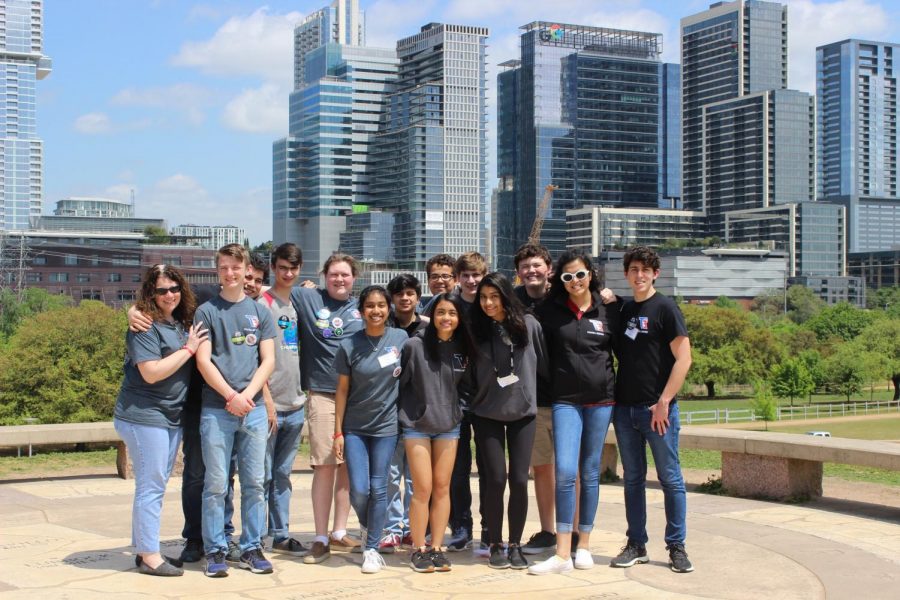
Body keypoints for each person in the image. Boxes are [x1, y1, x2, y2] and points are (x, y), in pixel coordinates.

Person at [528, 250, 619, 575]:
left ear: (590, 274)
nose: (575, 281)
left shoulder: (608, 308)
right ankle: (562, 553)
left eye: (580, 274)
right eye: (568, 277)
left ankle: (585, 546)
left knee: (590, 472)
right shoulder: (549, 312)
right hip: (564, 400)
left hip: (601, 400)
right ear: (560, 280)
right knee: (566, 471)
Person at [115, 265, 206, 577]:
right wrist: (189, 349)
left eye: (174, 288)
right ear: (150, 294)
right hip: (143, 416)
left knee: (153, 485)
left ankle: (143, 548)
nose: (170, 295)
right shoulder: (144, 325)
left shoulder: (178, 321)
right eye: (162, 290)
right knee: (151, 487)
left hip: (168, 417)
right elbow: (151, 372)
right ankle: (150, 556)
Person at [609, 246, 694, 574]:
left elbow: (684, 358)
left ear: (655, 273)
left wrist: (664, 402)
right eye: (634, 269)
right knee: (632, 479)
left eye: (645, 269)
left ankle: (676, 546)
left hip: (657, 412)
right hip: (625, 410)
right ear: (627, 274)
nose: (639, 275)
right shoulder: (626, 309)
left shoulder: (666, 308)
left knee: (670, 479)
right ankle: (636, 543)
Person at [194, 243, 277, 577]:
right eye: (224, 267)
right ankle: (215, 549)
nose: (230, 273)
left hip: (253, 408)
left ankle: (252, 547)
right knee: (216, 484)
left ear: (247, 271)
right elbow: (203, 360)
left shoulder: (260, 312)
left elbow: (268, 359)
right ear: (219, 271)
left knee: (255, 482)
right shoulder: (207, 311)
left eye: (235, 267)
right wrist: (231, 395)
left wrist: (248, 396)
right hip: (217, 408)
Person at [469, 273, 547, 570]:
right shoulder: (476, 328)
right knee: (496, 479)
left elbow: (543, 364)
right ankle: (495, 543)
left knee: (518, 479)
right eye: (483, 297)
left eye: (494, 296)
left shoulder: (530, 325)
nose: (488, 303)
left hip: (523, 413)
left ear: (505, 296)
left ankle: (515, 544)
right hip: (486, 412)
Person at [290, 253, 364, 564]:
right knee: (324, 465)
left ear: (354, 278)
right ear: (323, 276)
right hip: (322, 394)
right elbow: (268, 291)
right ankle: (320, 537)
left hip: (360, 397)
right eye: (334, 274)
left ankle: (338, 531)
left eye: (345, 275)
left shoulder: (364, 306)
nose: (339, 280)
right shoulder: (307, 298)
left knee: (347, 465)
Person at [332, 285, 408, 573]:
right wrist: (338, 432)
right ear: (361, 310)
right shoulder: (349, 345)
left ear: (388, 308)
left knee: (379, 487)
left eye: (381, 305)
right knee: (360, 491)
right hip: (355, 428)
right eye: (370, 306)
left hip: (387, 427)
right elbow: (341, 391)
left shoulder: (400, 338)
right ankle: (369, 526)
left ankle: (372, 547)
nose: (375, 311)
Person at [400, 293, 475, 573]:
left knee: (443, 488)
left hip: (449, 425)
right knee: (423, 488)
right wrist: (408, 416)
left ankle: (437, 547)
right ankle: (419, 548)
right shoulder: (414, 345)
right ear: (433, 315)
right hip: (417, 426)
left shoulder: (462, 348)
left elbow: (466, 386)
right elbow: (401, 384)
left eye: (452, 314)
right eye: (441, 312)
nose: (447, 318)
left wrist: (457, 410)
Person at [259, 243, 309, 557]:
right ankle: (256, 538)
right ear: (273, 267)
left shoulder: (299, 303)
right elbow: (254, 358)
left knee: (282, 475)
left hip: (296, 403)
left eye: (293, 268)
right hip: (270, 405)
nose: (287, 274)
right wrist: (265, 400)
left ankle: (280, 534)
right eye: (282, 268)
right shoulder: (262, 304)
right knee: (260, 475)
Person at [512, 243, 557, 556]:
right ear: (518, 274)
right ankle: (548, 530)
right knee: (541, 466)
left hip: (571, 397)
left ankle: (578, 531)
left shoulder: (565, 296)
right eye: (525, 267)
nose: (531, 271)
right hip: (535, 398)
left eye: (537, 265)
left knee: (574, 470)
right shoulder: (513, 302)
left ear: (549, 269)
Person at [379, 274, 429, 553]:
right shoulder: (384, 327)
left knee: (416, 477)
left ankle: (413, 527)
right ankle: (391, 528)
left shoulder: (427, 327)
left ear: (417, 297)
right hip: (389, 411)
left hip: (419, 412)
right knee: (390, 474)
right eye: (399, 294)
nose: (405, 299)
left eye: (410, 293)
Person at [446, 251, 489, 553]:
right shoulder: (448, 304)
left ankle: (490, 527)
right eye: (466, 275)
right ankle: (461, 526)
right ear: (458, 277)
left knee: (489, 468)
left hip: (489, 398)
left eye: (477, 275)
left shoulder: (493, 302)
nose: (472, 280)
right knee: (457, 469)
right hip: (454, 399)